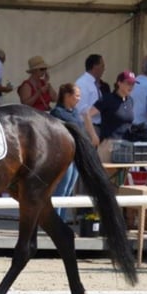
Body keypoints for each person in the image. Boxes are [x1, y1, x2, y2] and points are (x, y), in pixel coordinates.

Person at [49, 83, 83, 222]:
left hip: (76, 155)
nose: (79, 99)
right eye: (77, 95)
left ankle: (61, 220)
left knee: (68, 190)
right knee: (61, 189)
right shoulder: (57, 113)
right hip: (64, 156)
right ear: (67, 96)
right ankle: (55, 221)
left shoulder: (74, 112)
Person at [87, 70, 136, 162]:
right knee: (106, 175)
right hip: (109, 145)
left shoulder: (130, 101)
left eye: (133, 84)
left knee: (124, 175)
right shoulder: (107, 99)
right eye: (128, 83)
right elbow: (87, 114)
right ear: (119, 83)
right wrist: (93, 135)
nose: (131, 86)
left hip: (126, 145)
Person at [76, 54, 109, 138]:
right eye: (102, 66)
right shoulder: (82, 83)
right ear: (95, 66)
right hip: (88, 127)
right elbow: (81, 109)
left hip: (97, 126)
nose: (104, 69)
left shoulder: (95, 84)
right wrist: (98, 109)